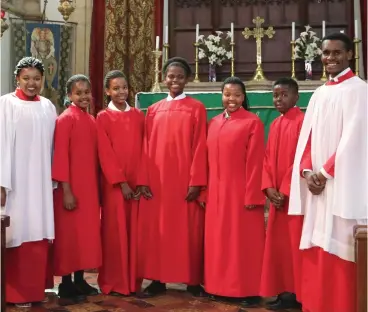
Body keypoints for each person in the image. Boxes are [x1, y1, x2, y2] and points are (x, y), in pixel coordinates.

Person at [289, 33, 367, 312]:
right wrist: (308, 171)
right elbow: (307, 138)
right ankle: (318, 304)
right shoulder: (321, 92)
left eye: (336, 53)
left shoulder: (360, 90)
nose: (330, 58)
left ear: (349, 55)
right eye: (326, 53)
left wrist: (324, 173)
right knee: (317, 244)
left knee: (344, 245)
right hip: (318, 187)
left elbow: (355, 140)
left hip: (343, 184)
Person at [137, 57, 207, 298]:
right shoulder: (153, 110)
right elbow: (145, 146)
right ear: (164, 78)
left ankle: (192, 281)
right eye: (170, 76)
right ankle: (157, 279)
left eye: (179, 76)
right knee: (159, 231)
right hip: (158, 181)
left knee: (188, 230)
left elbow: (200, 146)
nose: (174, 80)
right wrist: (143, 179)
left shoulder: (196, 108)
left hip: (184, 181)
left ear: (187, 79)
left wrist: (196, 181)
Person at [204, 77, 265, 308]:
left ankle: (248, 289)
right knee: (218, 241)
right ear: (221, 95)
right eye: (227, 94)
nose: (232, 99)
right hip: (216, 192)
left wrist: (252, 195)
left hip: (241, 192)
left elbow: (256, 162)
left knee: (242, 243)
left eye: (237, 95)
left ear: (244, 97)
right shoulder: (214, 122)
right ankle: (217, 286)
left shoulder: (252, 123)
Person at [0, 57, 57, 307]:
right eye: (26, 78)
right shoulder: (5, 104)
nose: (32, 83)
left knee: (37, 231)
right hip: (15, 183)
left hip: (41, 183)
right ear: (17, 79)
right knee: (16, 232)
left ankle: (34, 291)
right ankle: (14, 294)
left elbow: (53, 146)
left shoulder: (48, 107)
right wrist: (1, 183)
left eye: (36, 78)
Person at [52, 74, 102, 301]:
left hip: (88, 188)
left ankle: (80, 279)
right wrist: (67, 190)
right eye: (78, 93)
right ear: (69, 95)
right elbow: (60, 156)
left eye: (86, 92)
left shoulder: (91, 120)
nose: (83, 96)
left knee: (84, 236)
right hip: (70, 189)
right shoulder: (65, 119)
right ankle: (65, 283)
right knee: (69, 237)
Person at [96, 70, 144, 296]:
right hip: (115, 185)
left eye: (124, 87)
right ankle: (114, 281)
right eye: (116, 88)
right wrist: (121, 183)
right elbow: (105, 154)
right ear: (107, 91)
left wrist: (140, 181)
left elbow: (145, 149)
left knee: (134, 234)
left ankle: (133, 282)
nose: (121, 92)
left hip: (136, 183)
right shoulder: (102, 117)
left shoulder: (138, 115)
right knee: (115, 232)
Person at [259, 78, 304, 310]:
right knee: (277, 247)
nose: (278, 99)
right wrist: (268, 188)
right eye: (275, 95)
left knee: (293, 246)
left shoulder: (302, 122)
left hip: (293, 198)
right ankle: (282, 290)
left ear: (296, 97)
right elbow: (267, 159)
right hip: (277, 197)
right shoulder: (276, 124)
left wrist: (284, 189)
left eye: (284, 95)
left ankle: (297, 293)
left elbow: (302, 159)